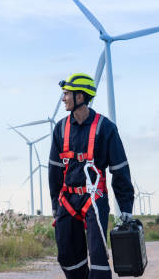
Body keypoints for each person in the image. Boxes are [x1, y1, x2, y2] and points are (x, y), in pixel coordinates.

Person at [49, 73, 134, 279]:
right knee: (67, 256)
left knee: (98, 257)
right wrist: (55, 205)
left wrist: (125, 209)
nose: (63, 98)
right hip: (67, 200)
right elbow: (54, 171)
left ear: (80, 96)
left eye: (67, 93)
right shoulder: (60, 128)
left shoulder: (106, 128)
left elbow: (120, 170)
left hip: (94, 201)